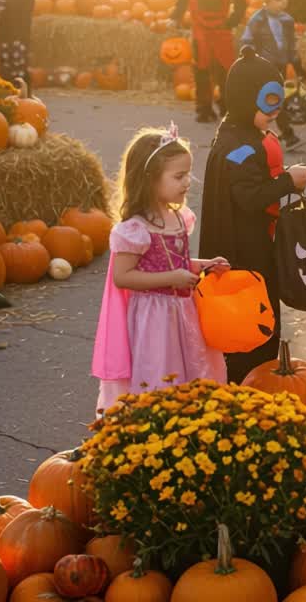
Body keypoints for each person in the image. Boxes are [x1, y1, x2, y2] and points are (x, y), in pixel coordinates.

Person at [91, 122, 230, 415]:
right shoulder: (135, 229)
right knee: (160, 371)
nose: (187, 182)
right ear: (150, 179)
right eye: (179, 176)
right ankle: (156, 425)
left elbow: (176, 263)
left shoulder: (178, 218)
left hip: (182, 312)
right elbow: (122, 277)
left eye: (187, 174)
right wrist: (173, 278)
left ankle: (187, 423)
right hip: (153, 318)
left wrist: (203, 265)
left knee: (189, 368)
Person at [198, 46, 306, 382]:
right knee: (250, 320)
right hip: (243, 253)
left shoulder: (241, 137)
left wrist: (284, 178)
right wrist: (287, 182)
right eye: (267, 105)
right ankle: (248, 377)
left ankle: (252, 370)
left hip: (252, 244)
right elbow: (249, 197)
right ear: (244, 99)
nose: (274, 113)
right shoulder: (238, 149)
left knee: (254, 315)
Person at [170, 0, 247, 125]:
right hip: (200, 30)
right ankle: (203, 109)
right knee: (201, 69)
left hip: (221, 29)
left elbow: (241, 3)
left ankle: (226, 107)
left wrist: (231, 22)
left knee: (225, 70)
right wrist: (175, 18)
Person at [240, 0, 306, 147]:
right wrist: (248, 54)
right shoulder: (257, 20)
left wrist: (298, 66)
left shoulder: (287, 21)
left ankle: (285, 133)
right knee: (267, 100)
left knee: (277, 99)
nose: (283, 2)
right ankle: (281, 133)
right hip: (262, 66)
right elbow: (247, 39)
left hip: (280, 66)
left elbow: (291, 46)